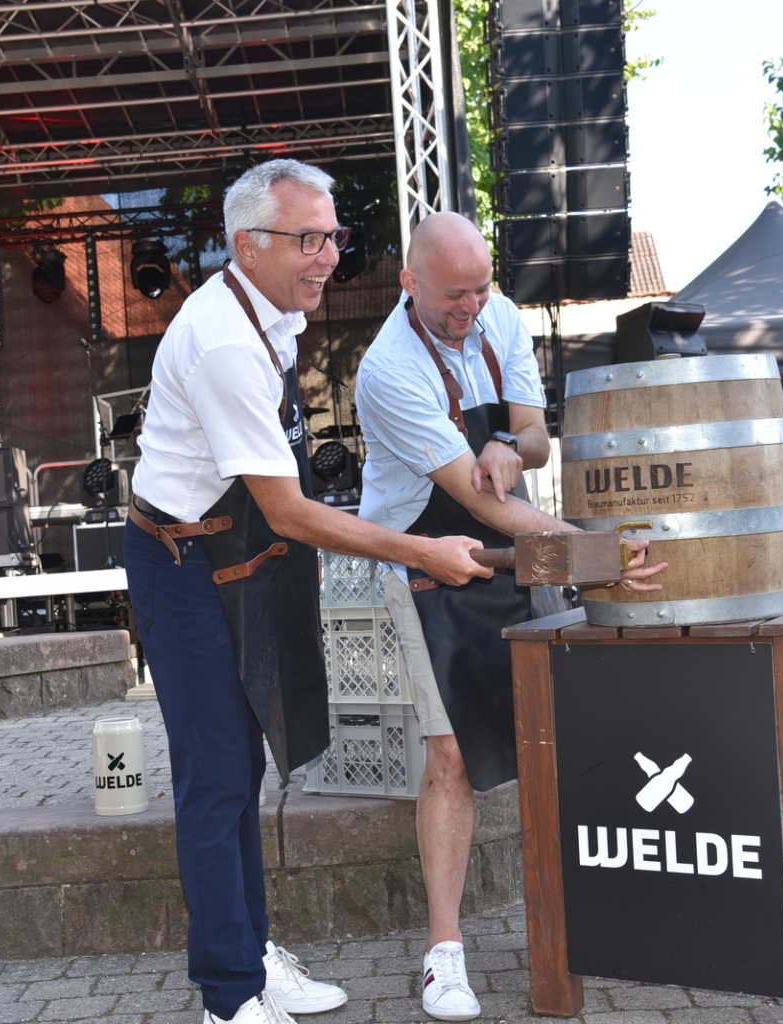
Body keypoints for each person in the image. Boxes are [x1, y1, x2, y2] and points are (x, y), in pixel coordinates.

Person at [123, 162, 493, 1024]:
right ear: (247, 244)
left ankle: (247, 953)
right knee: (214, 779)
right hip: (183, 569)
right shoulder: (223, 341)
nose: (327, 256)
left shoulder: (276, 314)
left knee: (244, 765)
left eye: (331, 236)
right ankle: (227, 995)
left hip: (239, 557)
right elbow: (287, 508)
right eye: (307, 239)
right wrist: (418, 550)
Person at [354, 212, 668, 1021]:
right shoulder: (388, 370)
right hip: (425, 560)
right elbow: (474, 507)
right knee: (451, 757)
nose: (470, 306)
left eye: (479, 287)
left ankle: (576, 920)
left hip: (516, 547)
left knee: (553, 737)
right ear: (409, 284)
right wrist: (599, 558)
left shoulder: (497, 313)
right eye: (453, 294)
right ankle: (443, 953)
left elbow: (535, 438)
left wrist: (505, 446)